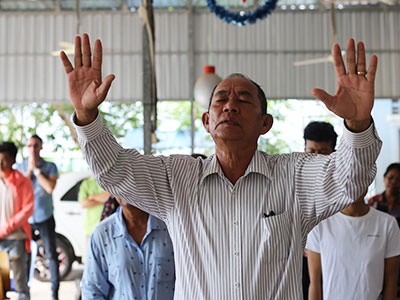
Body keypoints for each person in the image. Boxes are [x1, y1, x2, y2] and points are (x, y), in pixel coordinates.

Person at [61, 34, 381, 299]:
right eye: (221, 100)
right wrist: (87, 116)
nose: (230, 105)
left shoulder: (294, 176)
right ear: (207, 121)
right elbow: (115, 170)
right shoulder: (178, 178)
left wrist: (357, 122)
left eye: (244, 99)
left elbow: (349, 180)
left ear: (265, 123)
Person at [306, 191, 400, 300]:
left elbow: (391, 283)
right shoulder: (320, 224)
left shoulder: (387, 224)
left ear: (368, 181)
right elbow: (314, 283)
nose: (354, 185)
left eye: (359, 178)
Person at [81, 198, 175, 299]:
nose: (124, 189)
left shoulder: (171, 229)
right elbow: (92, 291)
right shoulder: (102, 234)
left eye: (131, 183)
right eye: (120, 183)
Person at [16, 135, 60, 300]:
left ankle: (54, 293)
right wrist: (29, 170)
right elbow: (18, 190)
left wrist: (36, 170)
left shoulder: (50, 166)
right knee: (24, 256)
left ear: (40, 147)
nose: (32, 148)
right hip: (26, 220)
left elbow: (49, 188)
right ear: (26, 148)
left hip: (45, 217)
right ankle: (24, 293)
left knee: (51, 256)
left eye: (36, 145)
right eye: (29, 145)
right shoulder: (19, 167)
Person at [301, 121, 338, 299]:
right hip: (301, 258)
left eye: (323, 152)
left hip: (335, 254)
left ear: (333, 152)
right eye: (311, 151)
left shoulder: (341, 181)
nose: (316, 157)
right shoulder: (293, 177)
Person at [0, 142, 34, 300]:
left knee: (20, 286)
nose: (0, 163)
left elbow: (27, 210)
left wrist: (5, 229)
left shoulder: (22, 182)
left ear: (13, 160)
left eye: (4, 159)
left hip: (16, 240)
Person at [78, 177, 110, 250]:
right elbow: (83, 203)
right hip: (91, 229)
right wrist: (105, 200)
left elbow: (111, 196)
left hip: (109, 229)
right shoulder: (86, 183)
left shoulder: (109, 180)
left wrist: (93, 197)